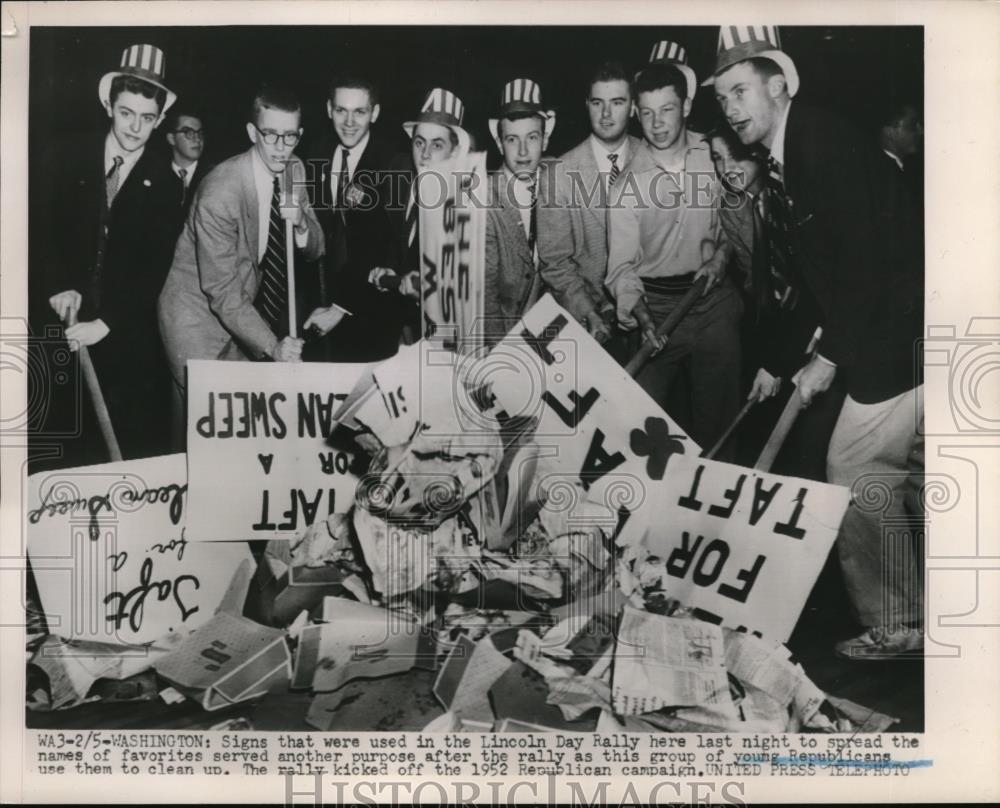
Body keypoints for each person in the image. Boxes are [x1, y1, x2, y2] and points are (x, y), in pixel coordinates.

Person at [708, 25, 924, 657]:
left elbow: (862, 268)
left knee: (855, 469)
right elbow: (811, 278)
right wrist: (778, 363)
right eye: (723, 99)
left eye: (741, 91)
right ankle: (925, 615)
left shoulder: (819, 145)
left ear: (779, 86)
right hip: (899, 332)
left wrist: (827, 360)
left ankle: (899, 622)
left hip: (896, 338)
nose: (732, 108)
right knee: (913, 478)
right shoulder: (792, 153)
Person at [157, 83, 329, 437]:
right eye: (271, 136)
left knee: (238, 432)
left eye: (291, 136)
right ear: (253, 132)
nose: (282, 148)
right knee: (199, 431)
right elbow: (220, 291)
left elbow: (317, 248)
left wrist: (300, 224)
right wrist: (273, 346)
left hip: (243, 312)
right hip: (196, 320)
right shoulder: (220, 191)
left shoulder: (294, 170)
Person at [42, 44, 181, 461]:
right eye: (126, 113)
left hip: (123, 338)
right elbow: (40, 232)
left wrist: (107, 323)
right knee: (60, 444)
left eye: (147, 118)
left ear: (159, 121)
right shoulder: (63, 158)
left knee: (120, 448)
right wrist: (57, 285)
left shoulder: (166, 183)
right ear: (109, 105)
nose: (135, 127)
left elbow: (153, 268)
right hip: (57, 326)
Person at [605, 59, 739, 455]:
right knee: (644, 438)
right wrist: (640, 312)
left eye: (666, 110)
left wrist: (723, 257)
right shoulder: (626, 185)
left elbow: (741, 226)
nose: (657, 122)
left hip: (714, 303)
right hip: (658, 310)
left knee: (721, 429)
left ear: (685, 107)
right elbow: (621, 269)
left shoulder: (716, 155)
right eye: (646, 113)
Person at [537, 61, 642, 353]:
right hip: (593, 323)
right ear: (587, 106)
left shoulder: (653, 158)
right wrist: (590, 314)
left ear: (633, 106)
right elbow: (556, 264)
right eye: (598, 103)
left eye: (617, 102)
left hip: (653, 315)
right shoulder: (558, 174)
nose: (606, 114)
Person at [304, 75, 401, 361]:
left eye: (360, 111)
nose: (349, 122)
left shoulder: (393, 162)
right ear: (328, 109)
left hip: (371, 314)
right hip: (319, 312)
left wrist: (341, 308)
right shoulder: (317, 153)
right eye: (341, 110)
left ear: (375, 113)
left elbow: (391, 249)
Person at [373, 88, 471, 340]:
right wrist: (389, 269)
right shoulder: (399, 175)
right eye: (419, 143)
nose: (425, 155)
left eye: (437, 144)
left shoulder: (466, 206)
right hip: (402, 326)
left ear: (454, 151)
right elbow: (395, 238)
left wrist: (424, 291)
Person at [483, 78, 555, 346]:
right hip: (501, 339)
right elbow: (486, 297)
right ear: (500, 144)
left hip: (547, 332)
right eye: (512, 139)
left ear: (545, 140)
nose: (523, 151)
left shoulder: (556, 185)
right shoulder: (484, 200)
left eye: (532, 138)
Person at [165, 105, 212, 218]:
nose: (197, 139)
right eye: (188, 133)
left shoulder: (213, 176)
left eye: (200, 133)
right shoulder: (155, 176)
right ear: (171, 139)